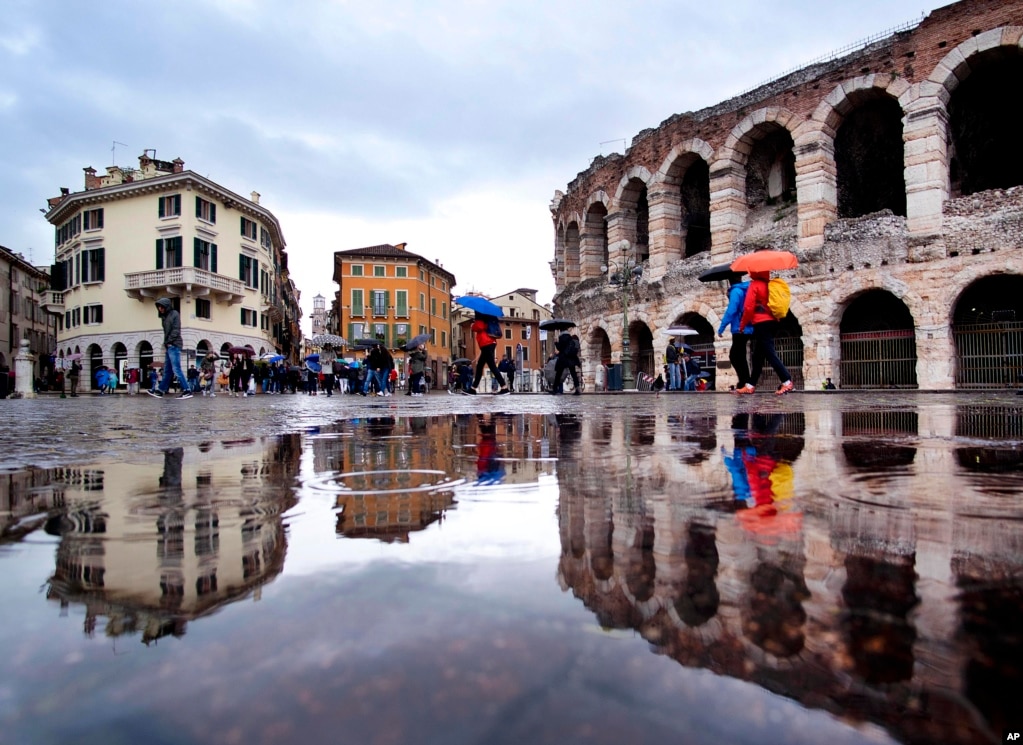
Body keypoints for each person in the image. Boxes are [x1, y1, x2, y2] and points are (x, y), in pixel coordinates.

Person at [738, 271, 794, 395]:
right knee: (758, 355)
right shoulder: (769, 284)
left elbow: (748, 307)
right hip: (772, 321)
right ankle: (750, 385)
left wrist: (742, 325)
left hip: (760, 322)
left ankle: (786, 381)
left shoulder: (755, 285)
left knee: (769, 353)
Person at [148, 297, 193, 399]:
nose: (160, 309)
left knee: (176, 369)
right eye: (159, 307)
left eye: (162, 307)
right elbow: (166, 332)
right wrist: (166, 343)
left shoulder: (174, 314)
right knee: (168, 370)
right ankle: (160, 390)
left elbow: (176, 330)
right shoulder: (164, 317)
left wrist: (169, 342)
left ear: (166, 306)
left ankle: (187, 390)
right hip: (169, 345)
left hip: (174, 344)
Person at [717, 275, 753, 394]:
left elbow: (731, 310)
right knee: (740, 356)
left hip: (739, 328)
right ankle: (744, 383)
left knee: (735, 356)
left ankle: (744, 382)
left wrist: (722, 328)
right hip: (746, 327)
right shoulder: (744, 289)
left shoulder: (736, 291)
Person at [466, 314, 509, 395]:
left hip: (486, 344)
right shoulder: (489, 317)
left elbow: (479, 326)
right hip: (489, 343)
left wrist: (473, 325)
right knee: (480, 366)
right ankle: (473, 389)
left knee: (492, 367)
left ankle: (504, 388)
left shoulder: (481, 317)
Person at [551, 330, 581, 395]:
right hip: (571, 359)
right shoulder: (570, 339)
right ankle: (577, 388)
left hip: (563, 358)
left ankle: (555, 389)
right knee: (573, 374)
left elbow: (560, 348)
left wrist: (556, 342)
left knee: (558, 374)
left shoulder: (561, 338)